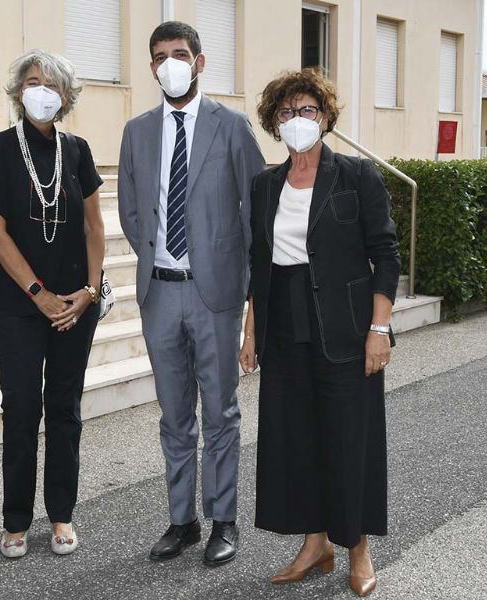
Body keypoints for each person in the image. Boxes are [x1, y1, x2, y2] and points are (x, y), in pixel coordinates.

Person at [239, 69, 400, 597]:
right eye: (286, 113)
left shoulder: (357, 176)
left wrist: (380, 328)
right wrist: (251, 332)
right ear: (274, 123)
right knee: (297, 440)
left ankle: (357, 548)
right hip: (284, 329)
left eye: (306, 110)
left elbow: (385, 254)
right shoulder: (265, 185)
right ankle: (315, 545)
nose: (297, 120)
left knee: (347, 440)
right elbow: (259, 264)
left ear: (325, 117)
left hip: (346, 328)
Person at [118, 21, 265, 566]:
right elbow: (131, 211)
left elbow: (256, 215)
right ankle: (183, 521)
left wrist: (253, 303)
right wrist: (161, 258)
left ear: (200, 62)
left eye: (180, 53)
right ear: (152, 67)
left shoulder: (232, 127)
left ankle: (223, 519)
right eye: (160, 56)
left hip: (217, 296)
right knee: (174, 414)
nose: (170, 63)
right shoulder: (137, 131)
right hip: (159, 293)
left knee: (220, 413)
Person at [0, 49, 105, 558]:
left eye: (50, 84)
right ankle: (16, 519)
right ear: (19, 91)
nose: (40, 91)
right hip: (19, 306)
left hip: (74, 305)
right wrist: (39, 295)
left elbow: (94, 226)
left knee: (64, 409)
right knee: (21, 408)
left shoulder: (79, 151)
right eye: (32, 81)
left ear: (65, 97)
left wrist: (89, 291)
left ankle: (62, 515)